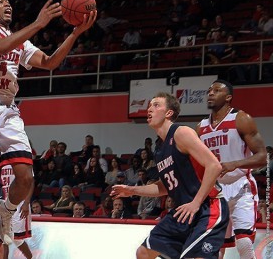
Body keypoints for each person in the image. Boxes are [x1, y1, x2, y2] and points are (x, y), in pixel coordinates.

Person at [0, 0, 96, 244]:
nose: (7, 3)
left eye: (8, 0)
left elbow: (49, 62)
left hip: (8, 110)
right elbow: (1, 46)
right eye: (0, 1)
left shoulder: (21, 42)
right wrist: (39, 23)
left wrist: (75, 34)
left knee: (25, 177)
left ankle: (7, 210)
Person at [112, 92, 229, 259]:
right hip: (183, 211)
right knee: (143, 252)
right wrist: (131, 190)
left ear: (169, 113)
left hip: (207, 207)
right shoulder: (160, 150)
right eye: (149, 106)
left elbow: (214, 166)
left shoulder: (181, 133)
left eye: (156, 105)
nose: (150, 109)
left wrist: (195, 203)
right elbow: (164, 187)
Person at [197, 79, 267, 259]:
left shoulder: (241, 119)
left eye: (217, 90)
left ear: (228, 97)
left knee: (243, 243)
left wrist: (234, 164)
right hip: (215, 190)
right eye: (209, 90)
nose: (211, 93)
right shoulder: (201, 127)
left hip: (240, 186)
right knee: (213, 246)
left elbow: (262, 156)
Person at [0, 165, 33, 259]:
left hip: (18, 202)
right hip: (2, 201)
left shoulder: (21, 156)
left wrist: (26, 202)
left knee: (16, 238)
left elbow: (31, 182)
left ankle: (30, 257)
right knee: (2, 237)